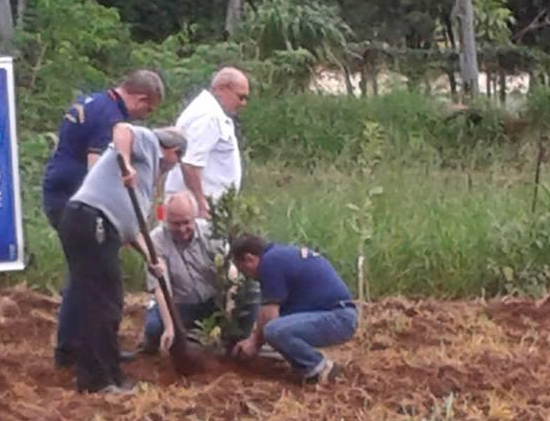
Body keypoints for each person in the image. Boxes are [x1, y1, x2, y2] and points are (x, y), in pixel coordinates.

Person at [42, 69, 165, 368]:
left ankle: (74, 346)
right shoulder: (110, 117)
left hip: (58, 192)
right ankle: (82, 351)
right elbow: (96, 167)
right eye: (147, 109)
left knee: (82, 276)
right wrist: (108, 218)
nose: (144, 116)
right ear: (140, 98)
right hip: (76, 203)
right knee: (94, 281)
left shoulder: (93, 101)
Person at [58, 124, 186, 394]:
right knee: (102, 303)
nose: (172, 167)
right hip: (92, 221)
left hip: (94, 223)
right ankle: (97, 380)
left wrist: (152, 258)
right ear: (173, 152)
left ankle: (105, 364)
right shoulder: (149, 143)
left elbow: (132, 227)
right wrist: (126, 164)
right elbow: (122, 129)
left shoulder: (148, 174)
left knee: (102, 299)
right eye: (176, 161)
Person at [230, 235, 358, 383]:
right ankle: (307, 365)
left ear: (249, 258)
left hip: (339, 318)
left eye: (243, 270)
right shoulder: (279, 256)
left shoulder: (270, 263)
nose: (246, 276)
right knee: (277, 328)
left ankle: (320, 368)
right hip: (339, 314)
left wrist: (253, 343)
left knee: (274, 330)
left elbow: (269, 316)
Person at [140, 191, 255, 353]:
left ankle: (239, 343)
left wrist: (229, 308)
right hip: (180, 305)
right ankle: (176, 339)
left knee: (251, 294)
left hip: (214, 302)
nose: (182, 229)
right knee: (154, 329)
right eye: (175, 223)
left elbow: (231, 272)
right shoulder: (156, 241)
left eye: (186, 222)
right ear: (166, 220)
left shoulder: (211, 233)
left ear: (195, 218)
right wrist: (169, 327)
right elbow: (161, 287)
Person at [163, 66, 250, 218]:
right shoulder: (210, 116)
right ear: (222, 89)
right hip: (194, 210)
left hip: (197, 205)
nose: (243, 103)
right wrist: (202, 204)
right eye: (241, 97)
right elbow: (190, 164)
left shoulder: (206, 110)